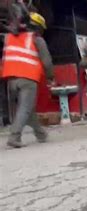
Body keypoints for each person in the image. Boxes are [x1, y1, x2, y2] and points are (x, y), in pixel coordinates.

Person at [2, 12, 54, 148]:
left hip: (11, 79)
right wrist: (50, 77)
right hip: (28, 78)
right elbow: (47, 61)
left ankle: (40, 133)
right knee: (25, 108)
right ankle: (14, 137)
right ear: (39, 27)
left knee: (27, 108)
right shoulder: (36, 39)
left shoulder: (10, 38)